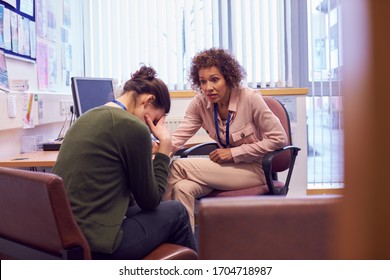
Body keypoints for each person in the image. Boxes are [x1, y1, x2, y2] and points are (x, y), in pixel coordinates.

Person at [52, 66, 197, 259]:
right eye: (153, 121)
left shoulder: (87, 117)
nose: (151, 128)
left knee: (141, 206)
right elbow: (151, 201)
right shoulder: (132, 126)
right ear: (149, 100)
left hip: (64, 238)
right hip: (98, 245)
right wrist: (165, 147)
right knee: (177, 211)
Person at [165, 48, 288, 231]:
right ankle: (185, 248)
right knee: (182, 188)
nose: (208, 87)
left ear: (229, 78)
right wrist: (157, 148)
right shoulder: (200, 103)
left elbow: (279, 138)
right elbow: (179, 136)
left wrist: (234, 152)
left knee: (177, 166)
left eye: (215, 79)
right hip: (225, 170)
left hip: (254, 169)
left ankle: (159, 228)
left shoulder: (250, 98)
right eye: (203, 81)